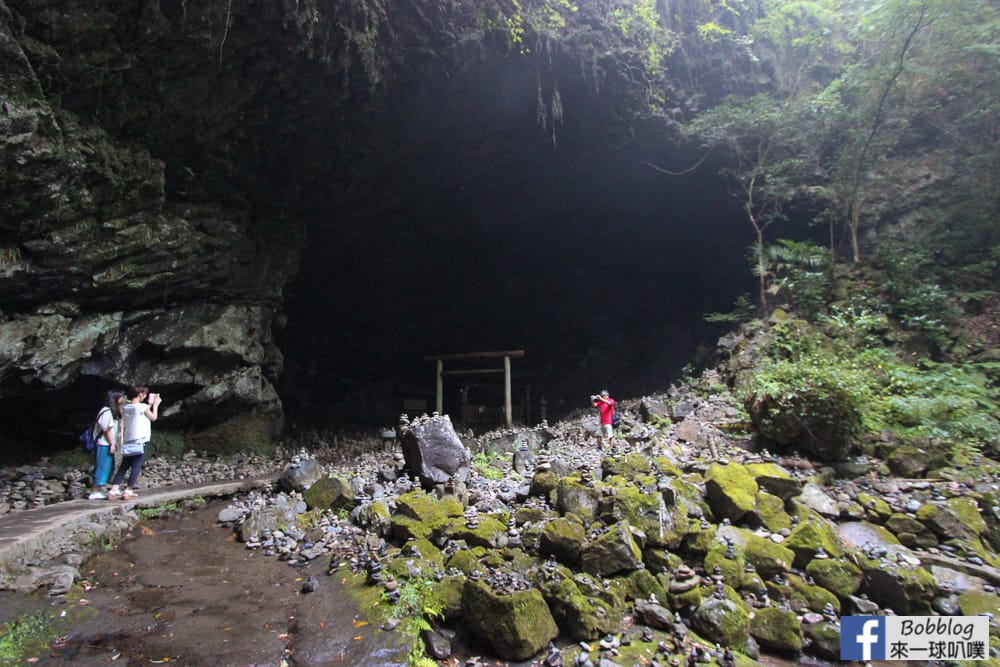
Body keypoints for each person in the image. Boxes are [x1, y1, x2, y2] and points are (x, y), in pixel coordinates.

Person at [108, 386, 161, 500]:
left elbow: (141, 412)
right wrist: (155, 405)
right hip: (141, 439)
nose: (145, 396)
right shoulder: (141, 406)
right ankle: (128, 490)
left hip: (129, 440)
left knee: (125, 465)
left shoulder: (127, 407)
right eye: (144, 394)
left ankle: (114, 489)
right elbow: (153, 417)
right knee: (136, 464)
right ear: (140, 394)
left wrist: (149, 404)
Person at [88, 391, 125, 500]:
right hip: (104, 443)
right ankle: (94, 491)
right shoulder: (106, 412)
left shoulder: (110, 411)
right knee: (102, 466)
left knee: (107, 466)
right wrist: (112, 444)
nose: (123, 398)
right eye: (121, 397)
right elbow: (107, 430)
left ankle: (99, 489)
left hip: (106, 443)